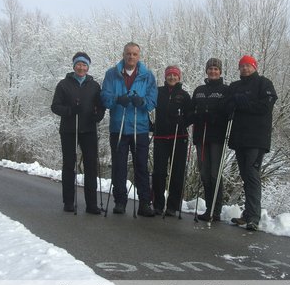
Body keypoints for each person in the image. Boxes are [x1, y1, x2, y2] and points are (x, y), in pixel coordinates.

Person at [101, 42, 157, 217]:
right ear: (123, 54)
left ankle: (145, 203)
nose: (131, 57)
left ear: (139, 56)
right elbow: (105, 97)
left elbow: (152, 100)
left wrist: (143, 102)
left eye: (134, 54)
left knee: (141, 166)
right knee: (119, 166)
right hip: (119, 127)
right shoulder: (112, 74)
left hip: (139, 127)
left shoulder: (148, 76)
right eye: (128, 54)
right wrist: (118, 99)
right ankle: (120, 201)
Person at [227, 55, 277, 231]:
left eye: (248, 66)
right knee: (245, 175)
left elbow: (265, 107)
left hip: (257, 139)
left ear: (254, 67)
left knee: (252, 174)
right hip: (240, 138)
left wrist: (244, 103)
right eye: (242, 66)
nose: (245, 69)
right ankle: (247, 214)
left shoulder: (264, 83)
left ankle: (254, 217)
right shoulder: (235, 86)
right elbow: (228, 105)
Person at [51, 52, 105, 214]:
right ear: (74, 66)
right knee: (69, 165)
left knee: (91, 166)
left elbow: (100, 104)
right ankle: (68, 201)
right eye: (78, 64)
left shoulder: (94, 85)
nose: (81, 68)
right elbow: (55, 106)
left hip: (88, 130)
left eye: (84, 65)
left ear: (88, 67)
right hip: (69, 130)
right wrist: (70, 110)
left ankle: (92, 204)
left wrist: (99, 114)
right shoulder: (63, 85)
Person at [190, 58, 228, 222]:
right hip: (201, 137)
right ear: (206, 71)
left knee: (214, 174)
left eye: (216, 69)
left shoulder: (225, 90)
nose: (213, 71)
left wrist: (215, 117)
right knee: (205, 174)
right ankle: (208, 209)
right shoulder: (199, 90)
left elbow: (227, 111)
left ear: (220, 71)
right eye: (210, 68)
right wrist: (197, 116)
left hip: (217, 137)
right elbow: (191, 111)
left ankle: (216, 210)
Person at [152, 66, 191, 216]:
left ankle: (173, 206)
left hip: (178, 138)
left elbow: (191, 114)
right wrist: (151, 125)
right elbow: (148, 105)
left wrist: (183, 121)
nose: (172, 77)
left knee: (177, 173)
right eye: (169, 75)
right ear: (165, 76)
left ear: (179, 77)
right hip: (160, 137)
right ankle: (157, 204)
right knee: (159, 173)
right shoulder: (158, 92)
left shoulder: (184, 95)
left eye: (175, 75)